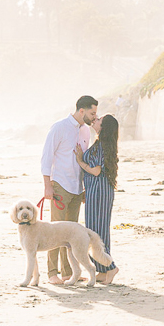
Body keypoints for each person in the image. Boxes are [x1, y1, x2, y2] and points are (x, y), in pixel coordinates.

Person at [40, 95, 97, 284]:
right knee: (53, 232)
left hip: (76, 187)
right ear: (81, 111)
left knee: (71, 234)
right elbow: (46, 157)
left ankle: (68, 273)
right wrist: (47, 185)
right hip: (60, 185)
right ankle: (52, 273)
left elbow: (83, 161)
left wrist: (84, 188)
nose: (94, 117)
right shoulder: (59, 127)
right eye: (92, 113)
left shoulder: (86, 132)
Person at [75, 114, 119, 285]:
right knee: (97, 230)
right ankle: (103, 269)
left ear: (104, 126)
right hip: (97, 191)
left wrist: (80, 160)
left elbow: (96, 171)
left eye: (99, 119)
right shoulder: (100, 143)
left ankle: (111, 267)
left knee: (97, 231)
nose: (96, 119)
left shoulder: (101, 146)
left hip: (100, 192)